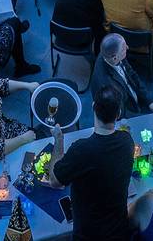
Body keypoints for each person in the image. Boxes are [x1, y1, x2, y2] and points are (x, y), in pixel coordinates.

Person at [48, 85, 135, 241]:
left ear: (93, 107)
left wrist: (58, 140)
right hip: (119, 231)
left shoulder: (82, 149)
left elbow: (55, 181)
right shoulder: (127, 140)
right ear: (119, 114)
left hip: (88, 235)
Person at [90, 32, 153, 116]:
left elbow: (133, 75)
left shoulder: (111, 53)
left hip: (138, 96)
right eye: (124, 48)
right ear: (115, 57)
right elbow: (119, 113)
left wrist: (148, 101)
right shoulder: (107, 85)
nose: (127, 48)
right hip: (129, 111)